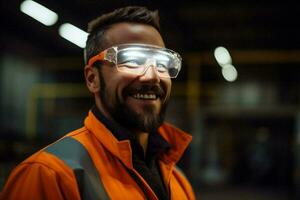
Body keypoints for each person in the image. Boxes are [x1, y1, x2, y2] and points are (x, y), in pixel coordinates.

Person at [1, 6, 195, 200]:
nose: (152, 76)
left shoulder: (178, 181)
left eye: (162, 63)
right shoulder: (48, 175)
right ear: (92, 79)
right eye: (131, 60)